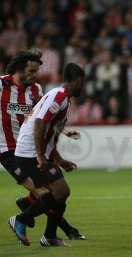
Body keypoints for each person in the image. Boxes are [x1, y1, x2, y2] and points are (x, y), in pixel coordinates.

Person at [0, 51, 85, 241]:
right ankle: (61, 229)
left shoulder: (36, 90)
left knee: (51, 193)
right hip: (6, 149)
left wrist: (62, 133)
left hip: (28, 145)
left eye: (36, 71)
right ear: (19, 69)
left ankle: (43, 223)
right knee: (43, 193)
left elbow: (42, 117)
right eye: (31, 71)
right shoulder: (1, 84)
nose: (34, 75)